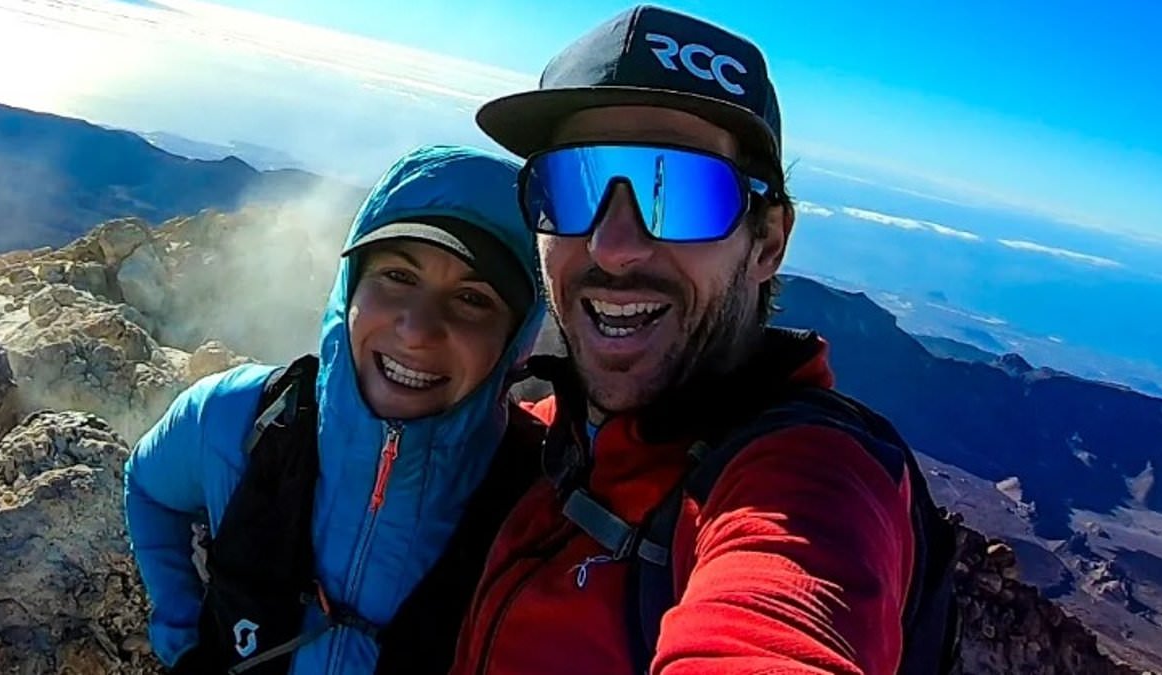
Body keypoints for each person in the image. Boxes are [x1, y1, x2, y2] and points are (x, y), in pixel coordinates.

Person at [449, 6, 960, 675]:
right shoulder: (540, 437)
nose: (612, 245)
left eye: (681, 191)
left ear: (767, 241)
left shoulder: (810, 482)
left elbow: (779, 617)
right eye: (571, 185)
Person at [124, 144, 547, 674]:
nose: (416, 330)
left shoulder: (539, 505)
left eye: (473, 299)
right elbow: (148, 488)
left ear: (515, 342)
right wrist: (184, 641)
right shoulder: (235, 418)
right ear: (350, 288)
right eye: (399, 277)